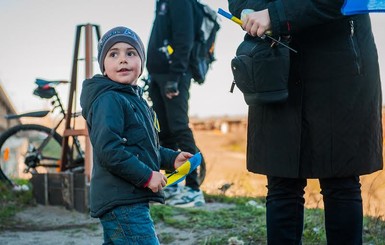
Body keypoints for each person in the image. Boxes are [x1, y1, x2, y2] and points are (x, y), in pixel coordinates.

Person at [228, 1, 383, 244]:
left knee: (341, 180)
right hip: (274, 62)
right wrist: (252, 12)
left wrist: (275, 14)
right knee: (281, 182)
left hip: (341, 61)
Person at [80, 26, 193, 244]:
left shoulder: (137, 102)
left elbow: (142, 147)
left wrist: (171, 159)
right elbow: (109, 151)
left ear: (141, 63)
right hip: (122, 200)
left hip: (127, 198)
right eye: (113, 54)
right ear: (103, 66)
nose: (123, 60)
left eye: (130, 53)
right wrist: (147, 176)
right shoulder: (109, 100)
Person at [146, 0, 206, 207]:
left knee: (180, 128)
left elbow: (184, 38)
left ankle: (193, 189)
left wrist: (175, 76)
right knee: (164, 132)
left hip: (174, 75)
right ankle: (173, 184)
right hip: (158, 75)